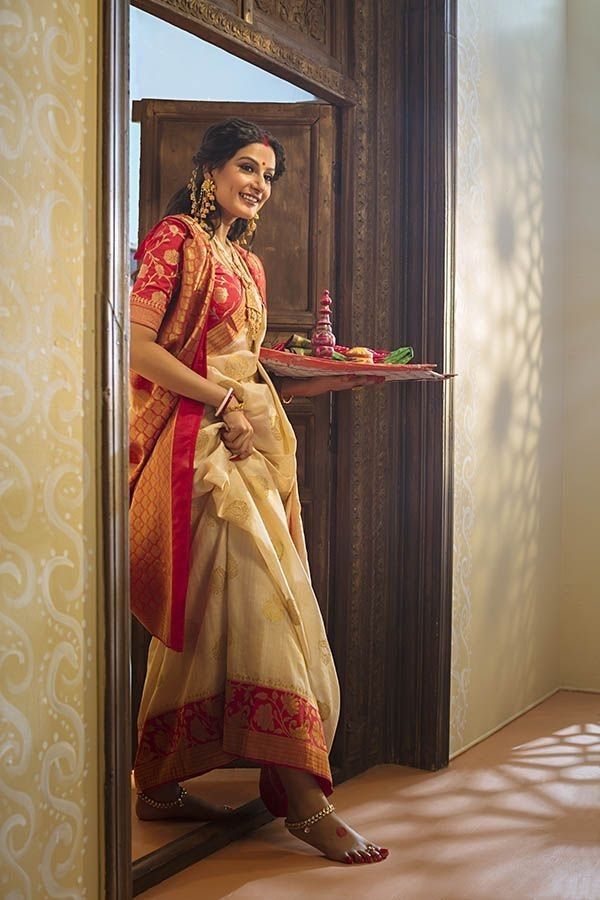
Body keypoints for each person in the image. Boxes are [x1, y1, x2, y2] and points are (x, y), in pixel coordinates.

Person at [129, 117, 389, 865]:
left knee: (227, 605)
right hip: (196, 446)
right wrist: (220, 403)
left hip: (251, 439)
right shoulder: (173, 240)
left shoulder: (247, 262)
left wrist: (304, 381)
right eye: (246, 167)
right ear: (206, 169)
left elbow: (246, 356)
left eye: (269, 175)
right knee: (260, 594)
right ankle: (304, 801)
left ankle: (159, 781)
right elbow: (138, 346)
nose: (259, 185)